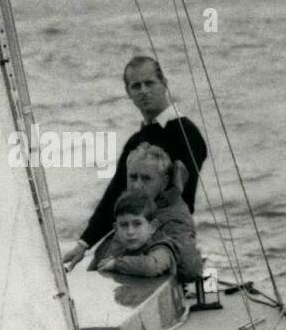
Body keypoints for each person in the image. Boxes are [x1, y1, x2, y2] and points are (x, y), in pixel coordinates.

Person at [62, 55, 207, 270]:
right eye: (136, 86)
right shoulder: (136, 140)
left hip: (167, 235)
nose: (143, 91)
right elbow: (116, 194)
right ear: (128, 92)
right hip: (135, 231)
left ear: (164, 84)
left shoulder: (186, 134)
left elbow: (183, 199)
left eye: (149, 83)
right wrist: (84, 244)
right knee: (96, 268)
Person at [123, 142, 203, 282]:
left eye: (146, 178)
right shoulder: (142, 206)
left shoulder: (173, 219)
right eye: (133, 177)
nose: (137, 185)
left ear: (164, 182)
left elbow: (192, 269)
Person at [88, 190, 176, 278]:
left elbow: (151, 267)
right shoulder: (118, 248)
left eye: (137, 224)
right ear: (116, 229)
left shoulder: (161, 248)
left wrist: (116, 264)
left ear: (152, 227)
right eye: (124, 225)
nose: (130, 232)